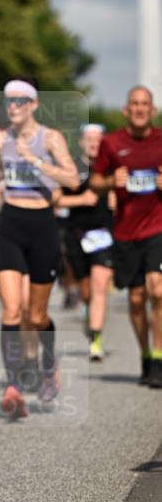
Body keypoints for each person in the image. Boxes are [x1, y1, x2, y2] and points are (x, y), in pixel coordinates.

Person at [0, 79, 79, 420]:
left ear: (33, 104)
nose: (13, 106)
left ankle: (49, 367)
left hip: (43, 228)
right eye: (9, 101)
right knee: (12, 312)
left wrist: (37, 162)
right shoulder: (0, 139)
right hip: (9, 226)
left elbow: (73, 179)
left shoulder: (50, 138)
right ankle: (14, 386)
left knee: (36, 316)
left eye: (20, 100)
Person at [90, 86, 162, 388]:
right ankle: (145, 354)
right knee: (135, 299)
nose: (140, 108)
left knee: (157, 291)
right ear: (126, 110)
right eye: (134, 103)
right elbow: (94, 183)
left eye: (145, 104)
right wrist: (109, 181)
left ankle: (159, 357)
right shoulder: (111, 143)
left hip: (158, 227)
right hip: (125, 231)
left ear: (153, 110)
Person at [56, 124, 114, 361]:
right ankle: (90, 316)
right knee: (87, 291)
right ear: (81, 143)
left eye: (97, 139)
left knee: (100, 287)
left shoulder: (112, 169)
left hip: (104, 236)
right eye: (89, 139)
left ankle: (96, 341)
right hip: (76, 236)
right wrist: (81, 199)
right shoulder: (71, 169)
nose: (93, 143)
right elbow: (56, 201)